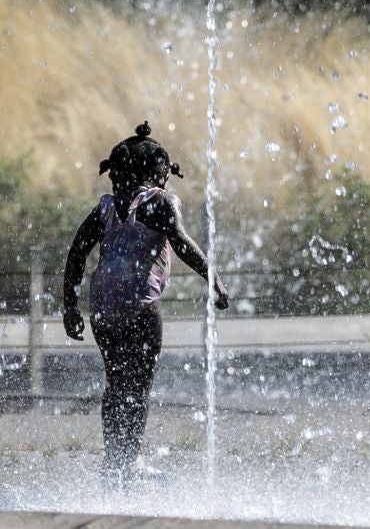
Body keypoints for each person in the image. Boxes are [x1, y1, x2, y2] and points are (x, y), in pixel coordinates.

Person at [62, 122, 228, 484]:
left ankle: (113, 462)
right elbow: (182, 244)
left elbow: (77, 253)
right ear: (160, 173)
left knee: (116, 384)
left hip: (103, 311)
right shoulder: (159, 203)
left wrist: (70, 305)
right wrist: (212, 278)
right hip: (140, 308)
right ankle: (131, 461)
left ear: (115, 173)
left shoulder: (104, 209)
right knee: (138, 388)